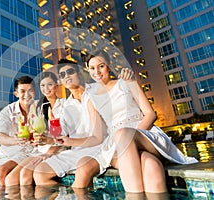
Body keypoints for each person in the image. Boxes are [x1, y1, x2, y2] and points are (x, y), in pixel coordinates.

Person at [81, 49, 198, 193]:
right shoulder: (91, 98)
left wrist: (131, 136)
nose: (97, 72)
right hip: (116, 145)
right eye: (92, 68)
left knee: (123, 134)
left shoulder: (126, 82)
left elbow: (150, 114)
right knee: (151, 166)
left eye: (101, 66)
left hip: (145, 134)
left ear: (109, 66)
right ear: (88, 70)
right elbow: (98, 134)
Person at [33, 59, 108, 186]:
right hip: (77, 151)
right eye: (62, 75)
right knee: (40, 173)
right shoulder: (66, 106)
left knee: (81, 172)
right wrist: (46, 139)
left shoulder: (96, 91)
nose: (66, 76)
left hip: (101, 147)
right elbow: (59, 134)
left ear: (79, 73)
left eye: (70, 72)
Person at [5, 71, 65, 186]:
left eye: (50, 84)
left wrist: (48, 153)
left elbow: (66, 136)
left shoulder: (64, 105)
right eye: (43, 85)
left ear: (56, 86)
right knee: (10, 180)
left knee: (25, 175)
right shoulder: (39, 107)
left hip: (57, 150)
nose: (46, 88)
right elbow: (34, 131)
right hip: (40, 150)